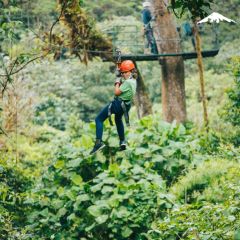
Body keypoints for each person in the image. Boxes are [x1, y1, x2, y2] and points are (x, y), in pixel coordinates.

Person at [90, 60, 137, 154]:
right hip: (126, 106)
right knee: (118, 120)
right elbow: (123, 79)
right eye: (123, 72)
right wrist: (119, 71)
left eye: (126, 72)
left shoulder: (127, 82)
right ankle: (122, 141)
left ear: (131, 71)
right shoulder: (133, 81)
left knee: (98, 119)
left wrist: (116, 82)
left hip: (118, 105)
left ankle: (98, 143)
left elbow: (116, 92)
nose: (124, 74)